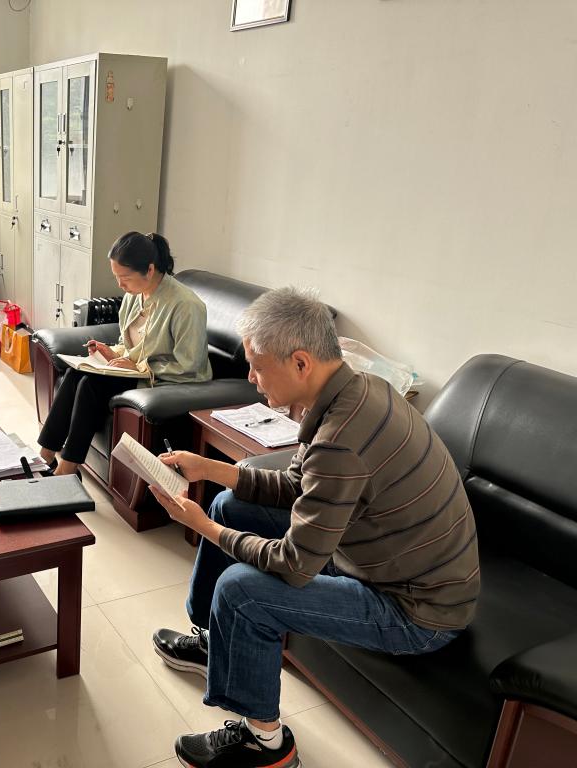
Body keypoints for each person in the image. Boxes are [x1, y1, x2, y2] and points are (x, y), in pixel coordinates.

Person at [149, 287, 480, 768]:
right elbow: (295, 485)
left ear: (300, 362)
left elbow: (294, 565)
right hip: (380, 560)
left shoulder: (342, 437)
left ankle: (266, 745)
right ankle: (215, 643)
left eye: (257, 366)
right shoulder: (352, 391)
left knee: (241, 590)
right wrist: (210, 468)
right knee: (228, 504)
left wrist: (202, 528)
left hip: (417, 611)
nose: (251, 377)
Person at [38, 231, 211, 477]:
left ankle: (67, 469)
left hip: (169, 380)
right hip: (135, 372)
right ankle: (45, 455)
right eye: (116, 276)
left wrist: (138, 367)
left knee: (90, 385)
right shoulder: (134, 296)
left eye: (125, 277)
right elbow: (129, 344)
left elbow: (189, 365)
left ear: (149, 270)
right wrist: (111, 352)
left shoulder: (186, 305)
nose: (120, 285)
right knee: (75, 374)